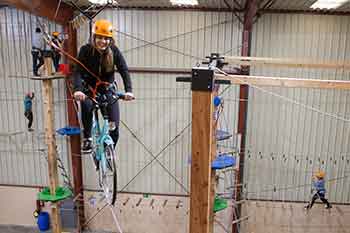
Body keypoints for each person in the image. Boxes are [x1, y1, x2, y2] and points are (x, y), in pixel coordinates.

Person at [73, 19, 134, 154]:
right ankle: (88, 137)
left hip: (107, 90)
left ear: (110, 40)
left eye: (106, 39)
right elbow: (77, 71)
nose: (103, 41)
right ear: (94, 37)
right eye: (100, 38)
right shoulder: (85, 50)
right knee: (87, 105)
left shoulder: (114, 51)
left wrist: (128, 90)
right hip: (90, 90)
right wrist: (77, 90)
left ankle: (108, 152)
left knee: (114, 129)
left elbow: (124, 70)